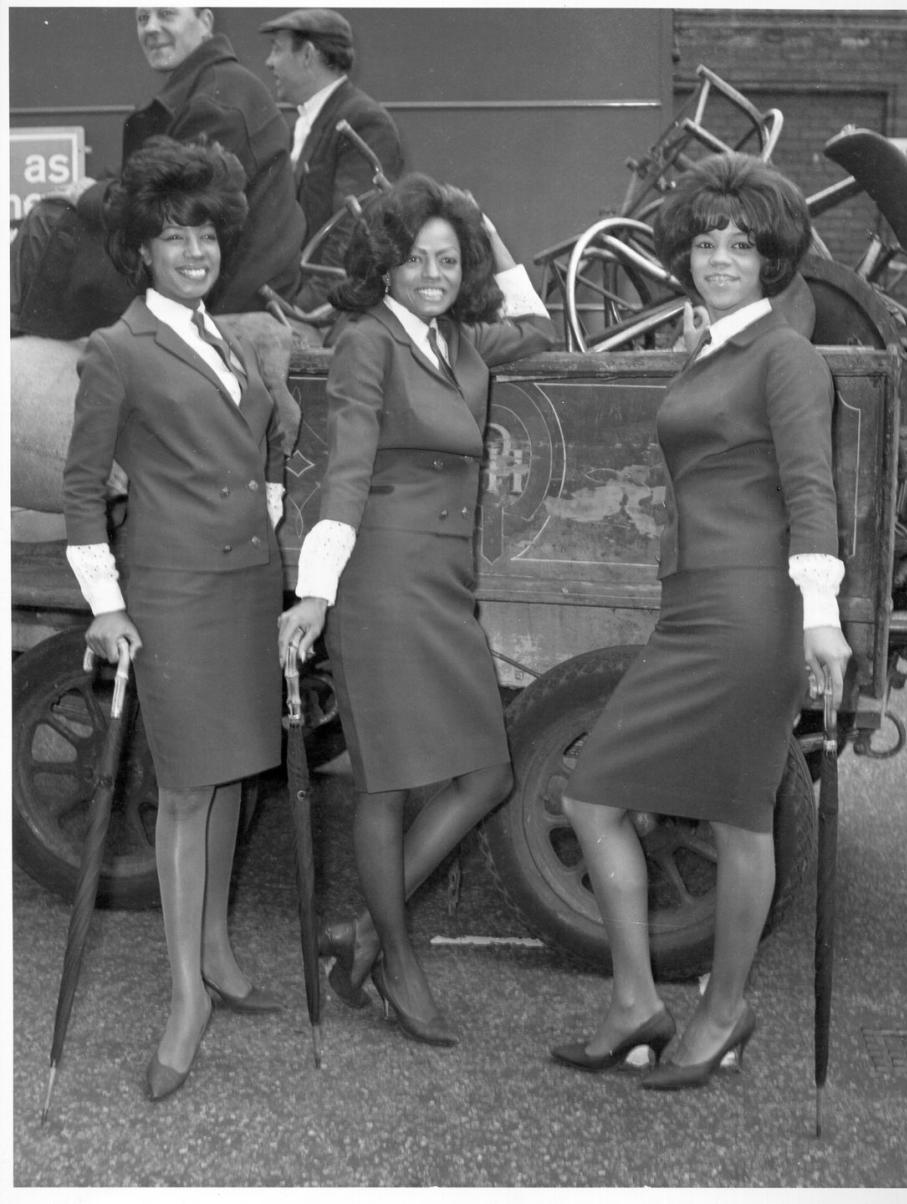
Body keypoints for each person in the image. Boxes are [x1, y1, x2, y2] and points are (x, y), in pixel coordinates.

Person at [549, 152, 852, 1089]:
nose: (722, 258)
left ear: (773, 260)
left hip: (752, 611)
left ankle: (721, 1011)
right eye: (708, 242)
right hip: (694, 609)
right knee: (593, 792)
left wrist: (821, 619)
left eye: (743, 245)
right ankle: (636, 1002)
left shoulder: (786, 355)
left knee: (737, 819)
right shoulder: (714, 346)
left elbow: (810, 488)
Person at [277, 174, 554, 1046]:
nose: (432, 272)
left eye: (448, 258)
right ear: (383, 267)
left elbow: (541, 326)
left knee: (488, 774)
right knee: (387, 781)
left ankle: (361, 935)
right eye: (414, 258)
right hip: (381, 580)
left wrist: (488, 227)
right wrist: (316, 592)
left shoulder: (461, 339)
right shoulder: (368, 342)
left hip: (443, 587)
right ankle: (396, 961)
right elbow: (347, 467)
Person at [62, 136, 288, 1102]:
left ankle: (223, 954)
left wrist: (268, 513)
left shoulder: (224, 335)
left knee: (236, 771)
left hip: (245, 587)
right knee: (191, 790)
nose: (193, 249)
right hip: (175, 599)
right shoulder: (119, 350)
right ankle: (185, 996)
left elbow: (261, 443)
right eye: (172, 235)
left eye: (204, 231)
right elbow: (81, 489)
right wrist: (107, 608)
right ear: (140, 250)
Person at [13, 7, 304, 336]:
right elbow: (145, 176)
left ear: (205, 22)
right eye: (142, 19)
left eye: (166, 14)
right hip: (214, 270)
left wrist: (88, 194)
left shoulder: (215, 102)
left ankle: (19, 336)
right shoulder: (213, 86)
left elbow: (170, 208)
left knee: (50, 220)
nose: (151, 28)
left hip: (227, 292)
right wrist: (89, 188)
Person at [261, 8, 404, 312]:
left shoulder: (364, 121)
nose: (269, 62)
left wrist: (305, 312)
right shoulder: (304, 122)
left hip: (327, 313)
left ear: (308, 55)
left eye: (277, 49)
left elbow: (351, 232)